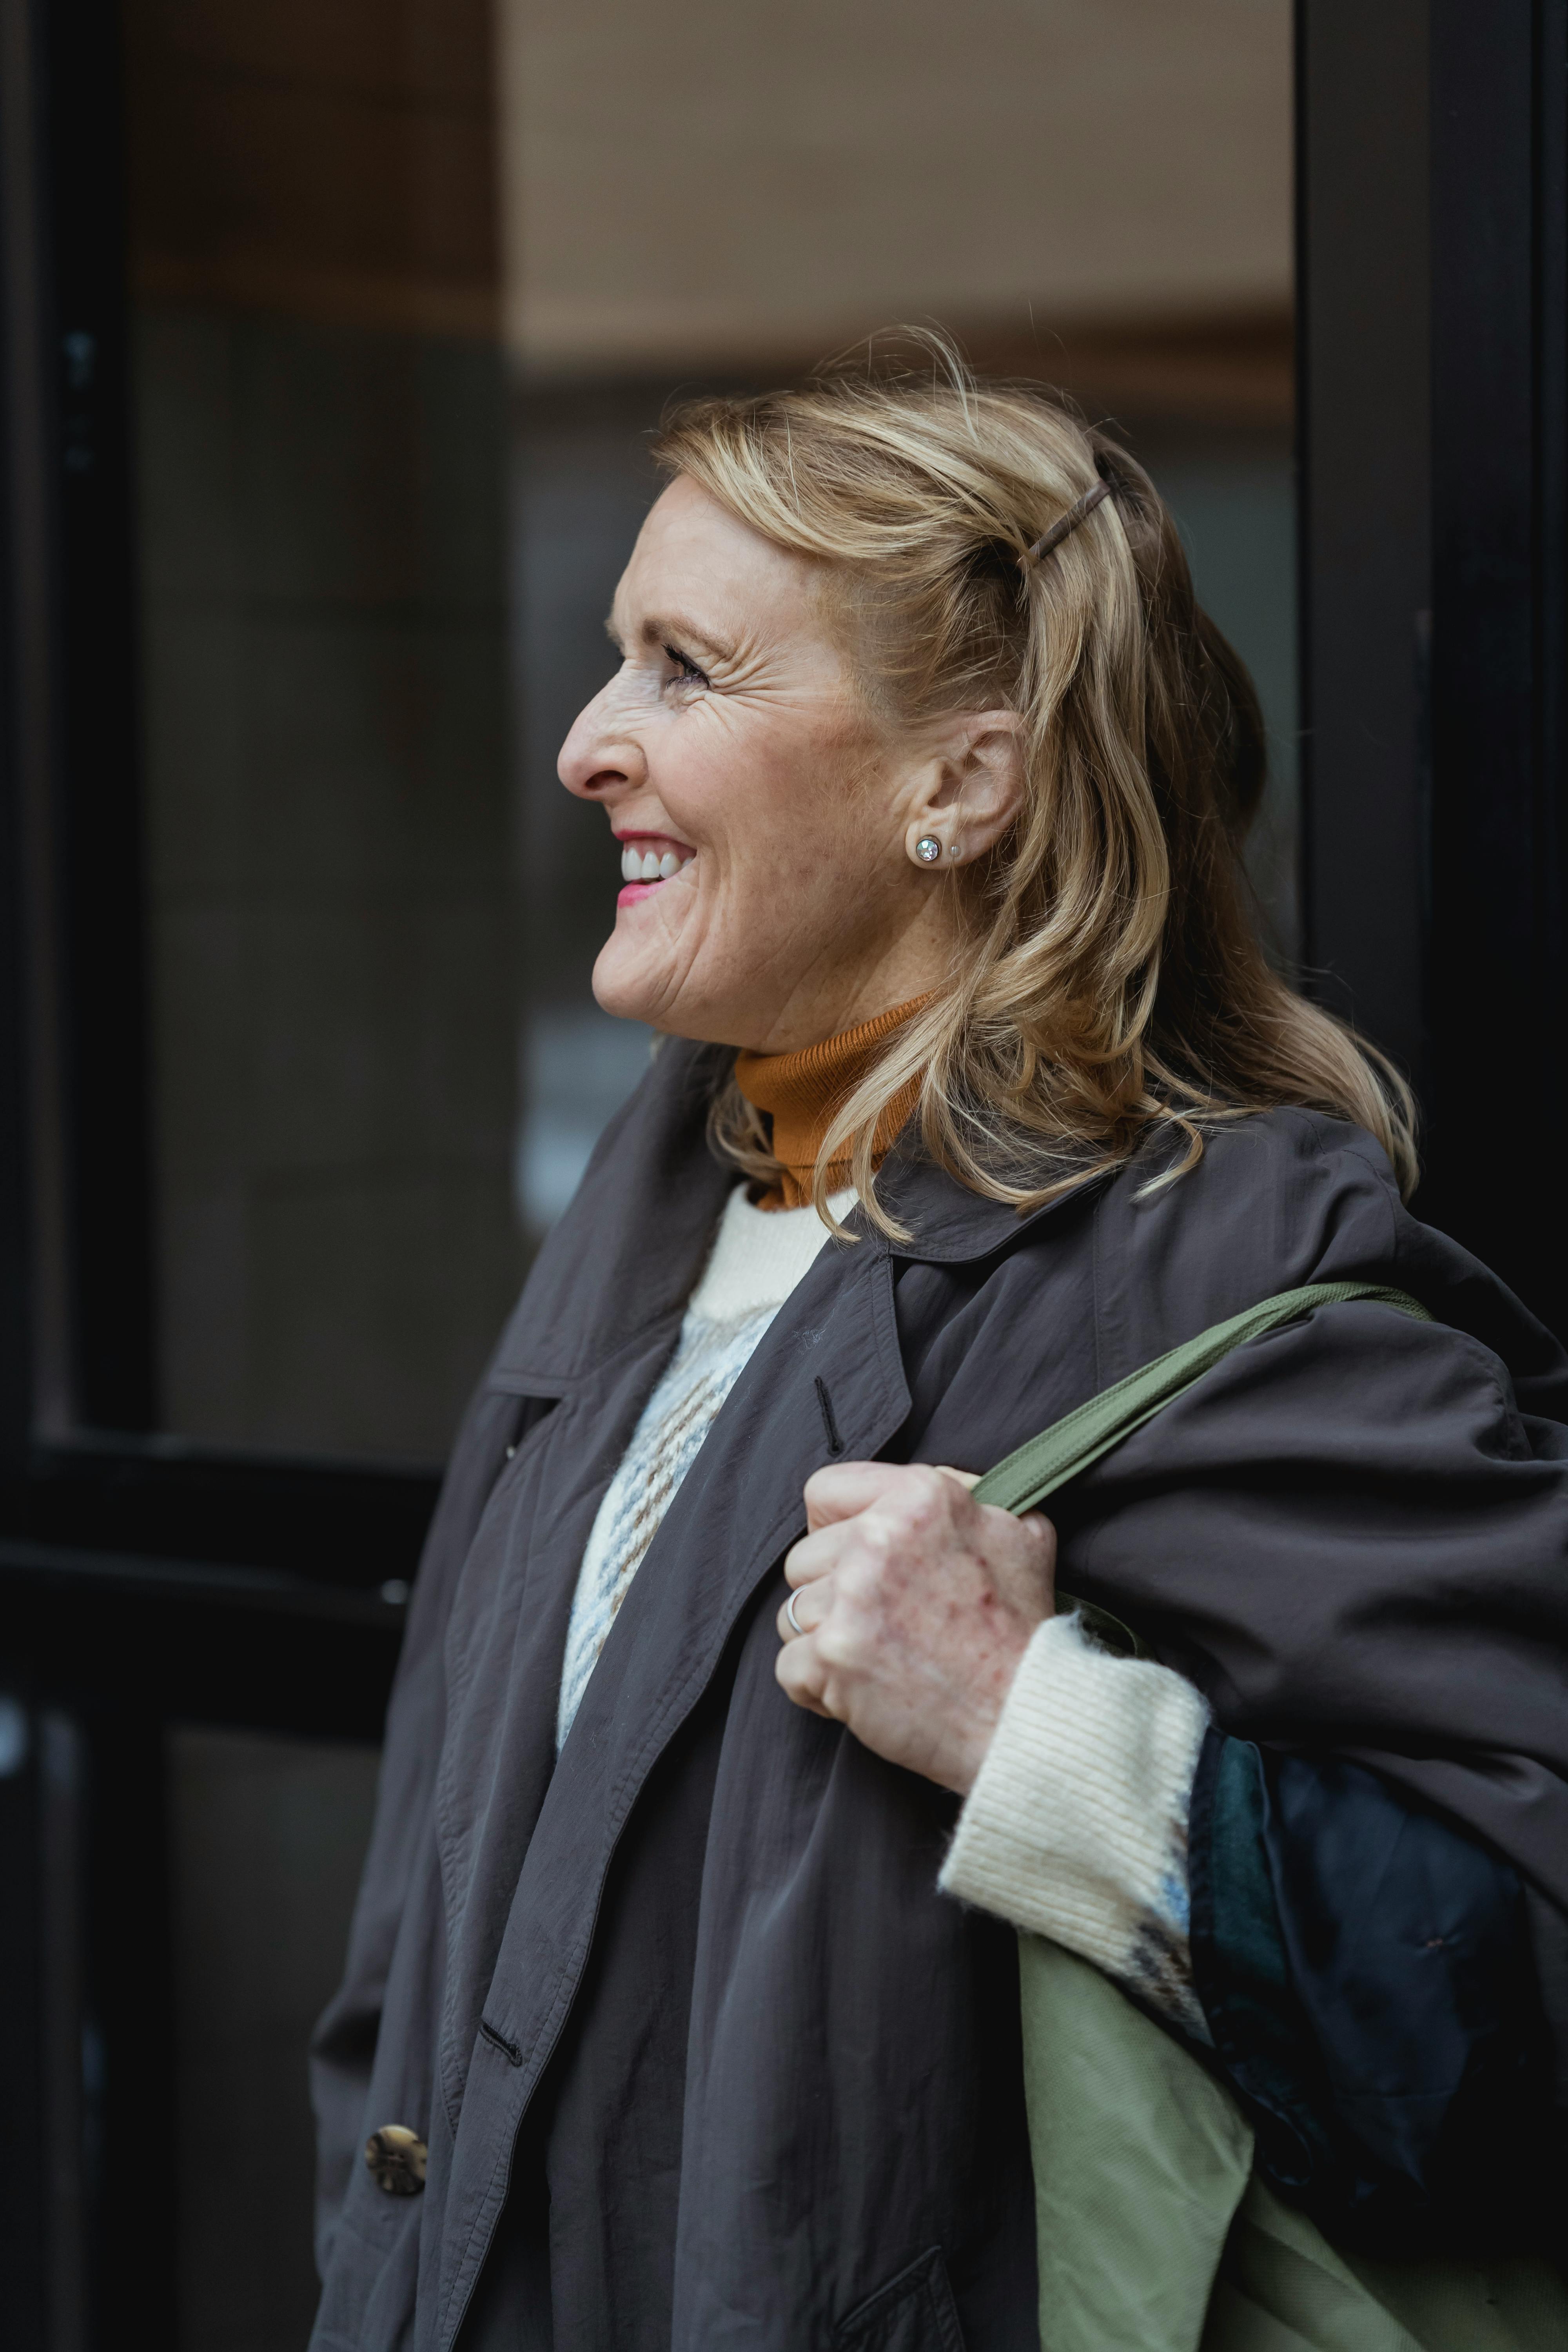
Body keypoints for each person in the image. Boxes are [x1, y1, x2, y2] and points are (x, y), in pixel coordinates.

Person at [309, 350, 1568, 2351]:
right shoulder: (648, 1233)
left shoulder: (1211, 1282)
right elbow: (421, 1982)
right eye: (613, 657)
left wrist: (1037, 1731)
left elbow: (1516, 2009)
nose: (583, 742)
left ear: (958, 784)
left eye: (684, 670)